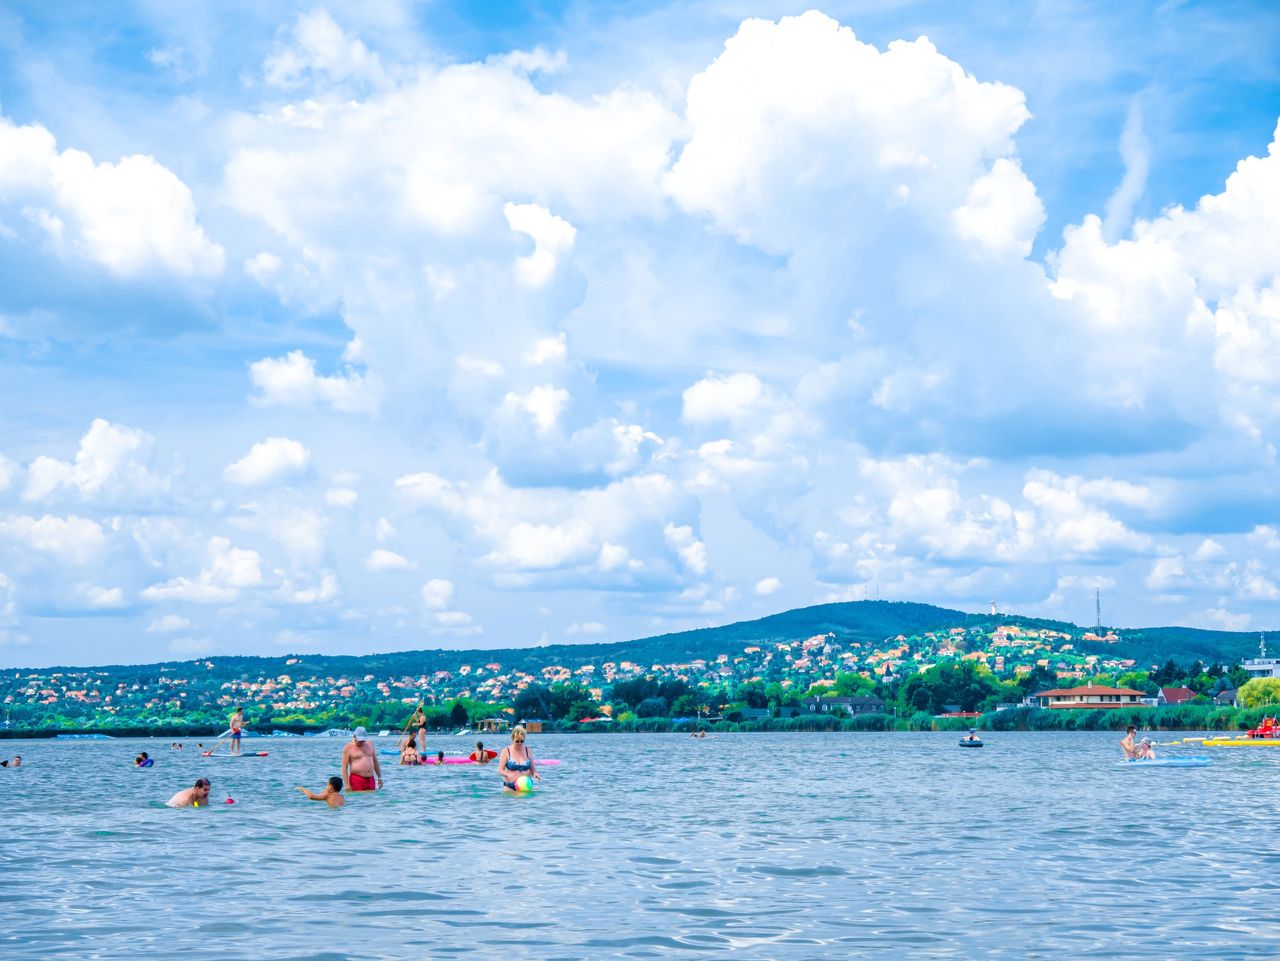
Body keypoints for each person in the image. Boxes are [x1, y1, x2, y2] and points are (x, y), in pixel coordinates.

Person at [497, 725, 540, 791]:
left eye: (522, 741)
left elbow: (532, 770)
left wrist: (535, 774)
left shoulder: (527, 751)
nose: (520, 743)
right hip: (510, 786)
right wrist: (507, 774)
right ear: (512, 739)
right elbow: (500, 770)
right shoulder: (506, 751)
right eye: (517, 741)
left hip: (526, 786)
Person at [341, 727, 382, 792]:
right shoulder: (348, 747)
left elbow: (375, 762)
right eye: (359, 740)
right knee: (358, 799)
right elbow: (344, 767)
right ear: (354, 736)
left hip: (371, 778)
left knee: (372, 799)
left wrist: (379, 777)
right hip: (356, 779)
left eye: (363, 741)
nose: (361, 742)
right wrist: (346, 784)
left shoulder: (370, 744)